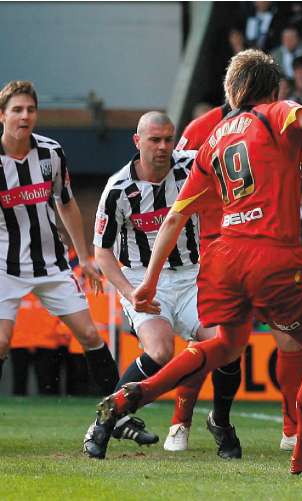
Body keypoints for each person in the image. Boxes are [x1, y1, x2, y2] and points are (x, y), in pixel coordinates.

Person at [86, 49, 302, 475]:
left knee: (225, 346)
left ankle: (136, 394)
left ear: (235, 89)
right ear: (271, 88)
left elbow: (175, 216)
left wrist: (147, 281)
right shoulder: (277, 115)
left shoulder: (217, 137)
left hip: (223, 259)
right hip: (273, 256)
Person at [83, 112, 243, 459]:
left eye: (169, 139)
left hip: (192, 275)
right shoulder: (117, 188)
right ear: (137, 142)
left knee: (228, 345)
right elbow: (102, 252)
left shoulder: (191, 167)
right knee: (160, 351)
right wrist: (129, 293)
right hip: (142, 277)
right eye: (155, 140)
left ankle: (221, 422)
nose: (163, 147)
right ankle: (103, 424)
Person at [179, 103, 302, 453]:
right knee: (220, 345)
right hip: (220, 247)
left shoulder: (272, 121)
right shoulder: (205, 127)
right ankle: (181, 420)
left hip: (264, 246)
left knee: (287, 339)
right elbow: (178, 187)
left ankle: (292, 429)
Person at [0, 80, 119, 396]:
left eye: (30, 109)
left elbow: (66, 203)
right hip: (5, 267)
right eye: (17, 110)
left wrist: (83, 257)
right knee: (0, 341)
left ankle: (119, 414)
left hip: (51, 264)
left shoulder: (51, 153)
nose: (24, 116)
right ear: (2, 115)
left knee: (90, 335)